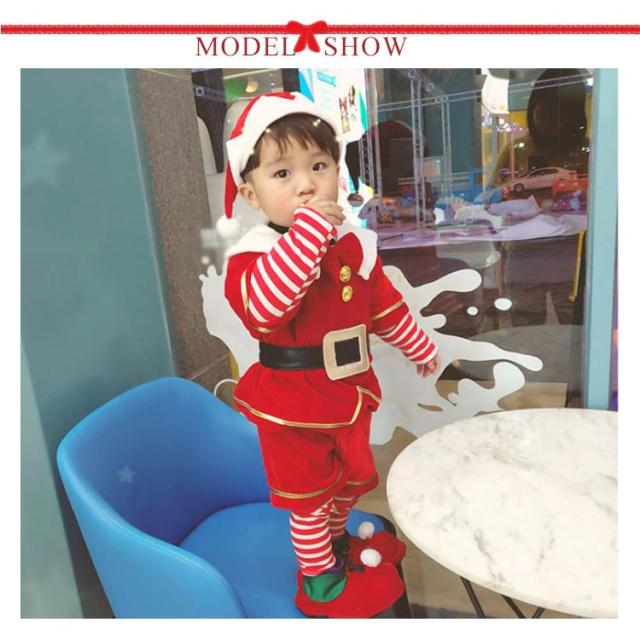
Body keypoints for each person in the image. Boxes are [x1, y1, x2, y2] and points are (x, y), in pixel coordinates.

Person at [220, 92, 440, 618]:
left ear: (338, 172)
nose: (306, 184)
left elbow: (382, 306)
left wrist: (418, 344)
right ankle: (318, 583)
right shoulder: (251, 257)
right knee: (309, 500)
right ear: (251, 194)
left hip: (347, 392)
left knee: (349, 483)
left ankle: (337, 546)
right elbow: (268, 309)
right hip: (292, 405)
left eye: (318, 166)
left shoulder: (354, 245)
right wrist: (310, 232)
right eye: (282, 173)